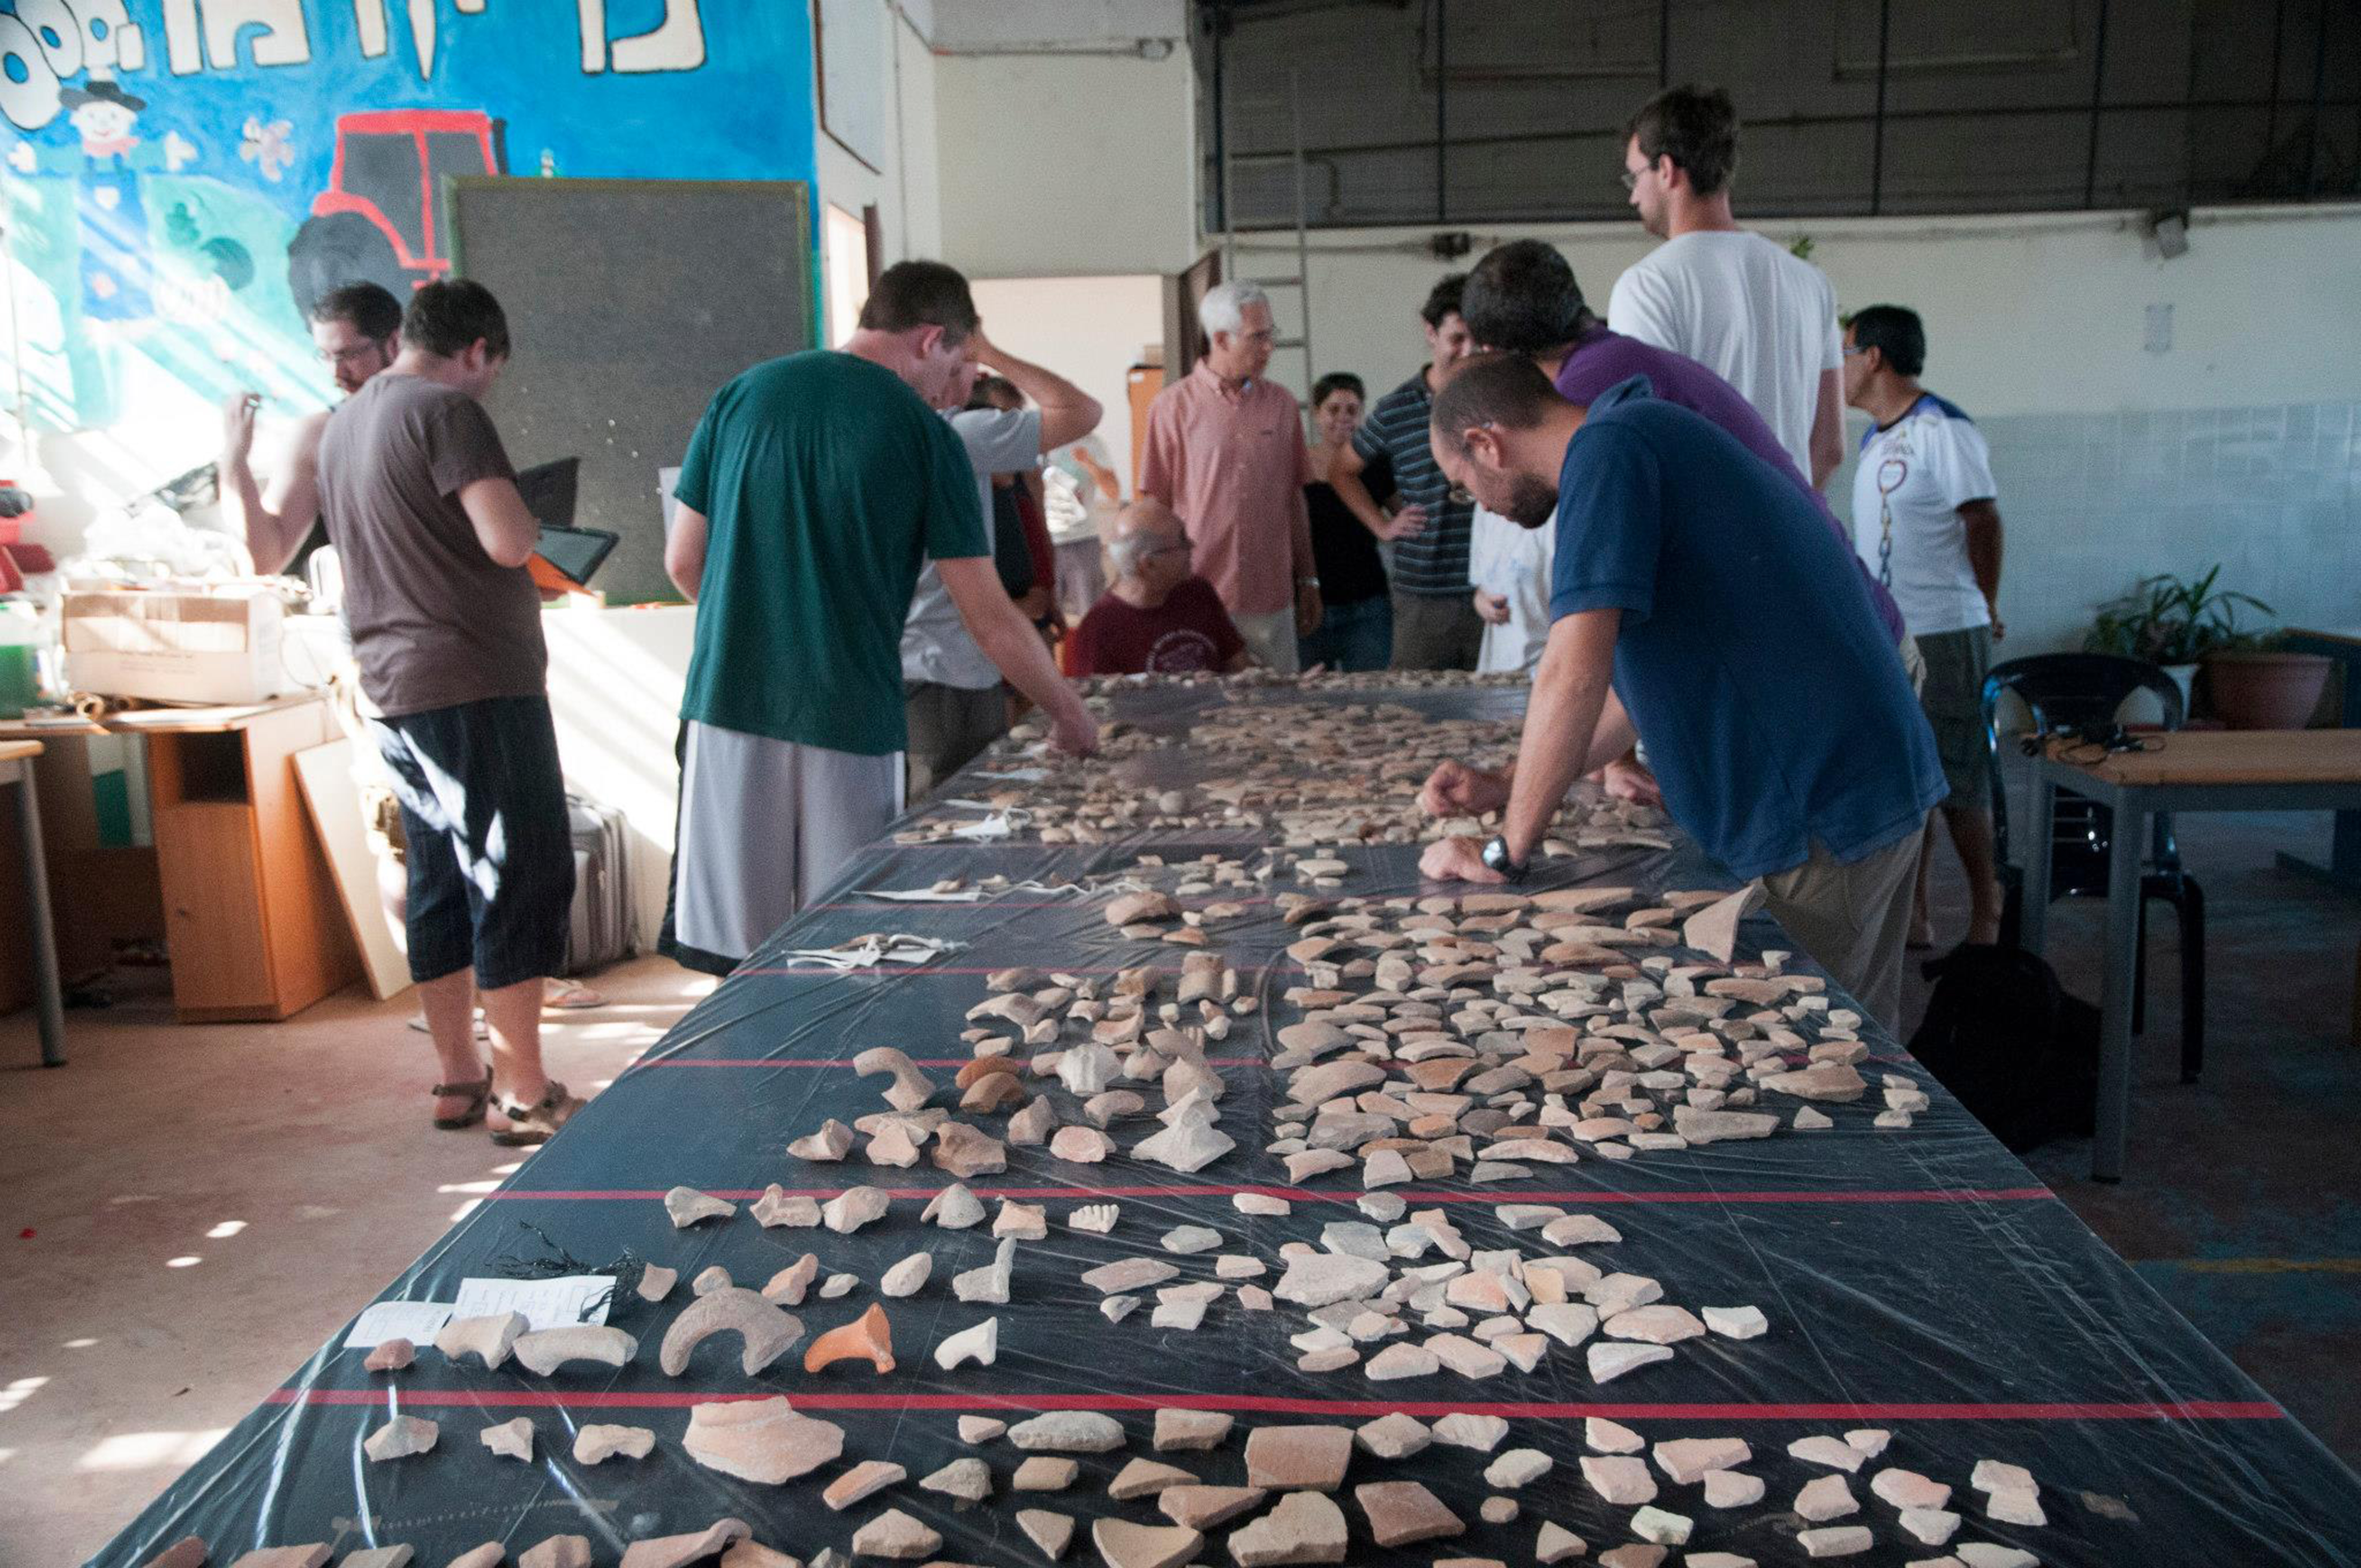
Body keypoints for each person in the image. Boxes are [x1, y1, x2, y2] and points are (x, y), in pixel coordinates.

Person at [1415, 354, 1945, 1032]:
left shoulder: (1607, 453)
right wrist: (1505, 783)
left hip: (1822, 809)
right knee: (1862, 1048)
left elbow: (1571, 674)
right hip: (1861, 784)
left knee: (1812, 1059)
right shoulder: (1639, 431)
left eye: (1465, 486)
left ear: (1487, 443)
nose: (1482, 505)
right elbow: (1629, 697)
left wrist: (1504, 854)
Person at [665, 261, 1097, 973]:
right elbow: (988, 616)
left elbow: (686, 563)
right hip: (852, 713)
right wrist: (1070, 713)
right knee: (850, 948)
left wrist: (765, 627)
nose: (954, 388)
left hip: (726, 707)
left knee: (737, 958)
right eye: (957, 364)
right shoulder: (926, 436)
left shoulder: (743, 395)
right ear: (932, 340)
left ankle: (736, 1082)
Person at [1462, 238, 1917, 801]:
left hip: (1831, 692)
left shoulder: (1588, 406)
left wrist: (1511, 841)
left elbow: (1584, 646)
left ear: (1496, 352)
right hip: (1863, 652)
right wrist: (1587, 761)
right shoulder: (1615, 360)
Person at [313, 279, 581, 1144]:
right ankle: (525, 1091)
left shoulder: (345, 422)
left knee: (438, 880)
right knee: (515, 873)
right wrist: (535, 521)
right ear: (478, 350)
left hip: (392, 685)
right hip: (473, 679)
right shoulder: (446, 411)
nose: (487, 387)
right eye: (491, 371)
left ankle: (458, 1076)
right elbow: (506, 540)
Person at [1844, 304, 2007, 947]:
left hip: (1944, 629)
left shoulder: (1943, 429)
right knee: (1908, 778)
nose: (1842, 368)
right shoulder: (1877, 438)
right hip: (1891, 634)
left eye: (1847, 352)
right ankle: (1914, 912)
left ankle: (1986, 909)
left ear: (1874, 358)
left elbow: (1984, 517)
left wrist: (1987, 601)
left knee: (1958, 782)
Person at [1610, 85, 1846, 489]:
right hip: (1794, 537)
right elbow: (1829, 448)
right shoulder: (1810, 282)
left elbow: (1647, 440)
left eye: (1635, 176)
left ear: (1666, 170)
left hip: (1703, 544)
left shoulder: (1648, 286)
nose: (1633, 196)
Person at [901, 344, 1102, 799]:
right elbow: (1081, 411)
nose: (975, 375)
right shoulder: (962, 434)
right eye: (966, 364)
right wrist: (990, 348)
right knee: (945, 815)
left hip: (959, 669)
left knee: (974, 806)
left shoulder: (929, 441)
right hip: (942, 672)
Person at [1138, 281, 1319, 672]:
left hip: (1270, 597)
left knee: (1279, 715)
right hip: (1197, 594)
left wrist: (1309, 580)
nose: (1269, 347)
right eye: (1258, 337)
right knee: (1203, 715)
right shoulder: (1171, 408)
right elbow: (1155, 509)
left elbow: (1294, 499)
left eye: (1271, 334)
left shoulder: (1283, 405)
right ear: (1220, 339)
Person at [1328, 274, 1483, 670]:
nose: (1468, 351)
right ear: (1430, 333)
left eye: (1476, 340)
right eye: (1457, 339)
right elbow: (1341, 470)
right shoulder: (1398, 407)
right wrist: (1382, 527)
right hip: (1422, 597)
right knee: (1415, 714)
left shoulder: (1496, 398)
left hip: (1492, 591)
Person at [221, 281, 403, 574]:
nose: (337, 373)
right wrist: (234, 458)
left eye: (348, 355)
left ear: (394, 344)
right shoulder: (318, 435)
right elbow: (264, 560)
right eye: (326, 357)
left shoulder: (438, 418)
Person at [1062, 499, 1250, 677]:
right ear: (1149, 565)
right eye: (1182, 542)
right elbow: (1099, 707)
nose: (1192, 546)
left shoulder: (1198, 591)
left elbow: (1239, 664)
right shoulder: (1099, 629)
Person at [1299, 372, 1393, 672]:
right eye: (1333, 410)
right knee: (1310, 704)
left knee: (1373, 702)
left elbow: (1405, 512)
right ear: (1316, 414)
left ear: (1362, 414)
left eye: (1352, 410)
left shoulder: (1376, 465)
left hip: (1367, 603)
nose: (1343, 418)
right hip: (1310, 603)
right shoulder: (1297, 465)